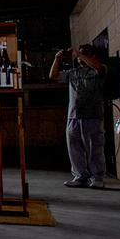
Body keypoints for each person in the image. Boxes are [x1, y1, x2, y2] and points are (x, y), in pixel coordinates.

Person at [50, 44, 107, 188]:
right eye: (80, 54)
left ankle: (98, 177)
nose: (80, 56)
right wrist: (57, 59)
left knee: (94, 147)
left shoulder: (98, 70)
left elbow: (98, 68)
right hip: (73, 115)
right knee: (74, 147)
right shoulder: (74, 73)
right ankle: (80, 176)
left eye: (86, 53)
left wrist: (79, 54)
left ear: (93, 55)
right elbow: (54, 76)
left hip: (92, 115)